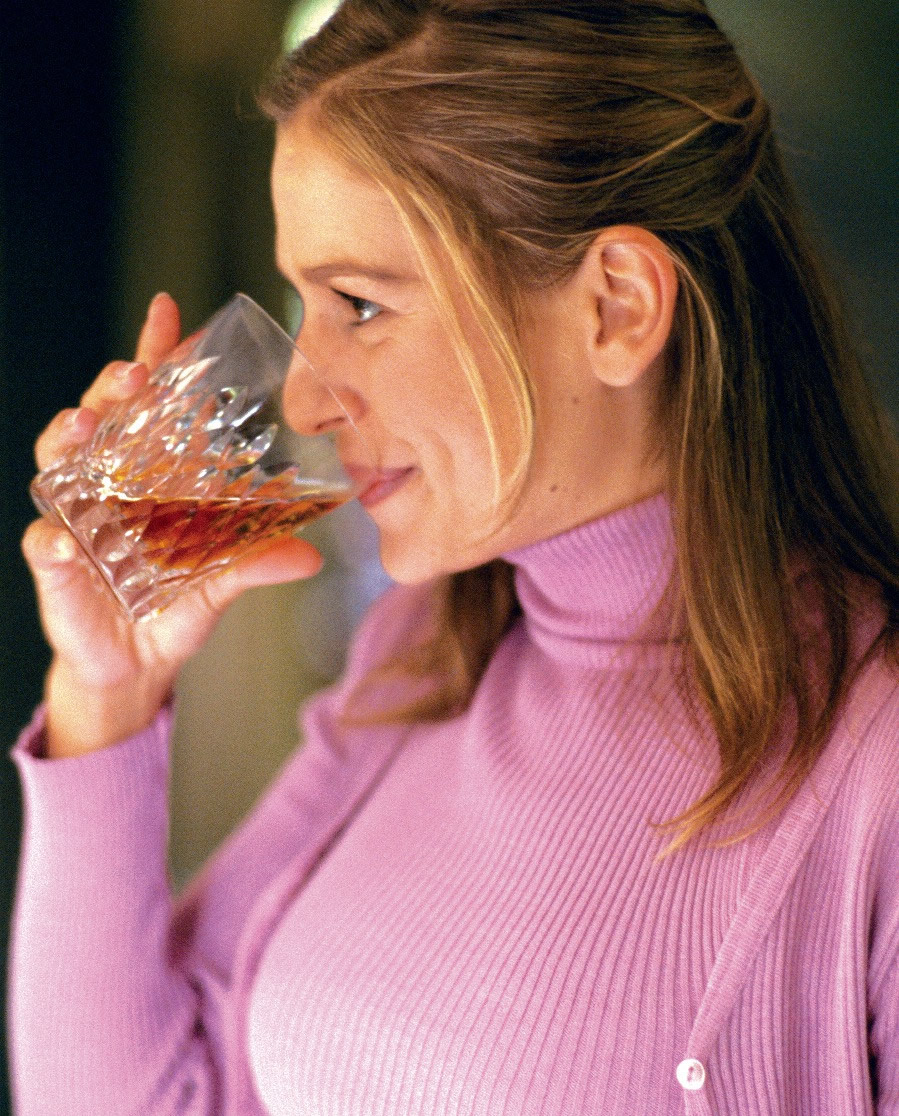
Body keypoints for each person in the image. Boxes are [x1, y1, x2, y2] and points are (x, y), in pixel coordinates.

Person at [9, 1, 899, 1112]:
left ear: (617, 308)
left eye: (359, 303)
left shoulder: (870, 773)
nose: (301, 398)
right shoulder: (419, 660)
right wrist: (107, 695)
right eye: (299, 304)